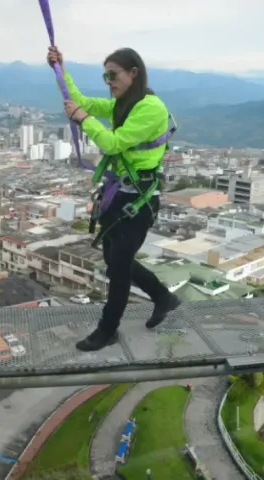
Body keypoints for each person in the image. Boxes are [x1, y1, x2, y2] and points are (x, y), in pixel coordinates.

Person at [47, 46, 181, 351]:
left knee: (118, 267)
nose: (109, 82)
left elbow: (112, 143)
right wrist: (60, 69)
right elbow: (81, 102)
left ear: (133, 73)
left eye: (113, 75)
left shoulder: (150, 108)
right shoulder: (124, 105)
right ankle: (162, 296)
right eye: (105, 76)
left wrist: (83, 119)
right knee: (115, 259)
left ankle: (107, 329)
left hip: (139, 201)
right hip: (120, 195)